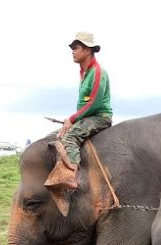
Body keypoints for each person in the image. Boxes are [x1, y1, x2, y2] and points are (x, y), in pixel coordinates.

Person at [45, 31, 112, 194]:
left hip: (99, 117)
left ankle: (70, 177)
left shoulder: (97, 72)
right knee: (59, 135)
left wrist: (73, 118)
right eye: (73, 48)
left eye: (76, 48)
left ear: (88, 50)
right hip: (87, 117)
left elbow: (95, 103)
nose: (73, 51)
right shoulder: (84, 72)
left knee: (70, 137)